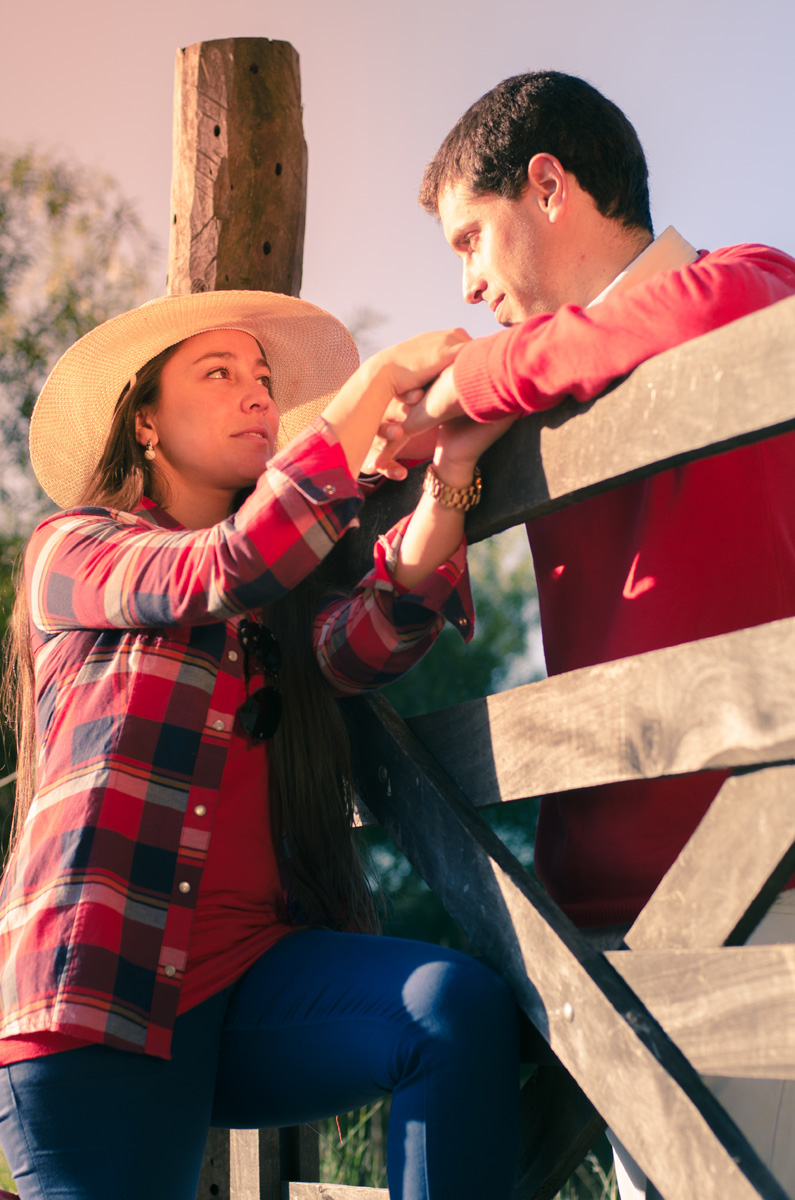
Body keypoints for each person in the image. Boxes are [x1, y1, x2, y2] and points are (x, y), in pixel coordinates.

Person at [372, 70, 795, 1198]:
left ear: (546, 185)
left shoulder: (746, 282)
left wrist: (470, 382)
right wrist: (453, 455)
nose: (466, 281)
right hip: (599, 915)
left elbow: (718, 310)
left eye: (471, 236)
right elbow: (406, 603)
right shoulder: (530, 402)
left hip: (766, 880)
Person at [0, 290, 518, 1200]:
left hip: (244, 984)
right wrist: (378, 384)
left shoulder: (272, 604)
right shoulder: (74, 550)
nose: (256, 396)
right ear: (146, 422)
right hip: (96, 1000)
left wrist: (450, 478)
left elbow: (372, 640)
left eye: (264, 380)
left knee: (449, 1008)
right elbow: (223, 566)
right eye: (220, 373)